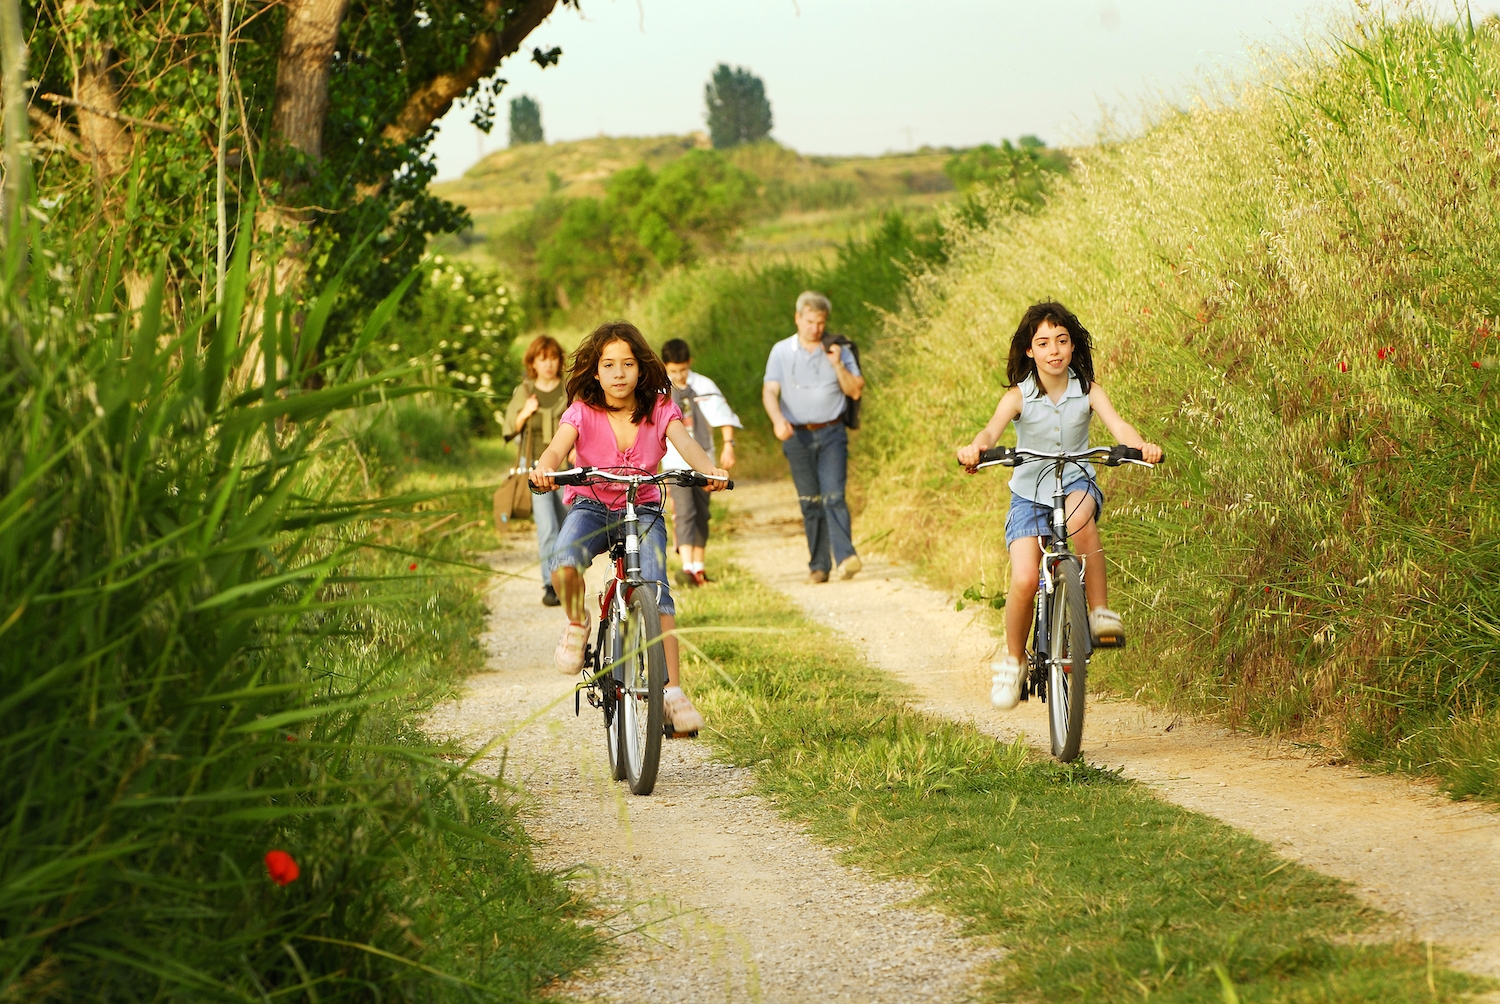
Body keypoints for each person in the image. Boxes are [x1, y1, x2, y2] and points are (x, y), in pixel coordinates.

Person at [956, 301, 1163, 711]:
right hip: (1029, 495)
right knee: (1024, 578)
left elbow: (1117, 425)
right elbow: (991, 429)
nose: (1055, 350)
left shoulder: (1087, 390)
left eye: (1062, 341)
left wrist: (1140, 445)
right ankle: (1013, 662)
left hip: (1076, 483)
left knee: (1081, 523)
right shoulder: (1019, 396)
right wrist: (977, 448)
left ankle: (1100, 612)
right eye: (1044, 342)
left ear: (1073, 346)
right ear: (1030, 350)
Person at [529, 321, 729, 734]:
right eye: (609, 365)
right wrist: (546, 468)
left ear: (641, 368)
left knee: (656, 589)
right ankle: (577, 623)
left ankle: (671, 692)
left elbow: (687, 444)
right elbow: (555, 447)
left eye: (628, 364)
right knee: (563, 559)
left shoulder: (660, 408)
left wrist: (709, 469)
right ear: (596, 371)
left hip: (645, 508)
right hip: (593, 504)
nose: (619, 373)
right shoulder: (581, 410)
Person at [761, 291, 865, 584]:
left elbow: (855, 390)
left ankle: (846, 558)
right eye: (809, 322)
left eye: (820, 323)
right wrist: (777, 420)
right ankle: (819, 566)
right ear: (798, 318)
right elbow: (770, 391)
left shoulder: (838, 348)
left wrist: (837, 365)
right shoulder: (781, 351)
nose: (815, 328)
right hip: (797, 436)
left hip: (832, 432)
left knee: (834, 496)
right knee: (810, 500)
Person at [660, 338, 742, 587]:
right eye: (673, 371)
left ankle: (699, 567)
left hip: (704, 459)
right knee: (684, 513)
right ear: (665, 367)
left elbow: (723, 416)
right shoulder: (660, 390)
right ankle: (686, 568)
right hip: (674, 462)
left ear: (690, 364)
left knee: (701, 513)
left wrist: (729, 444)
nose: (679, 375)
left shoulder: (704, 386)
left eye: (683, 369)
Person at [502, 335, 569, 607]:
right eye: (543, 359)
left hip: (567, 468)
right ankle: (549, 584)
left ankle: (568, 581)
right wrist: (525, 411)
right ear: (533, 363)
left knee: (569, 525)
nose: (549, 364)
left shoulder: (568, 389)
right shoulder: (526, 390)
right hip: (536, 470)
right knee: (547, 526)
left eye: (553, 358)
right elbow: (509, 427)